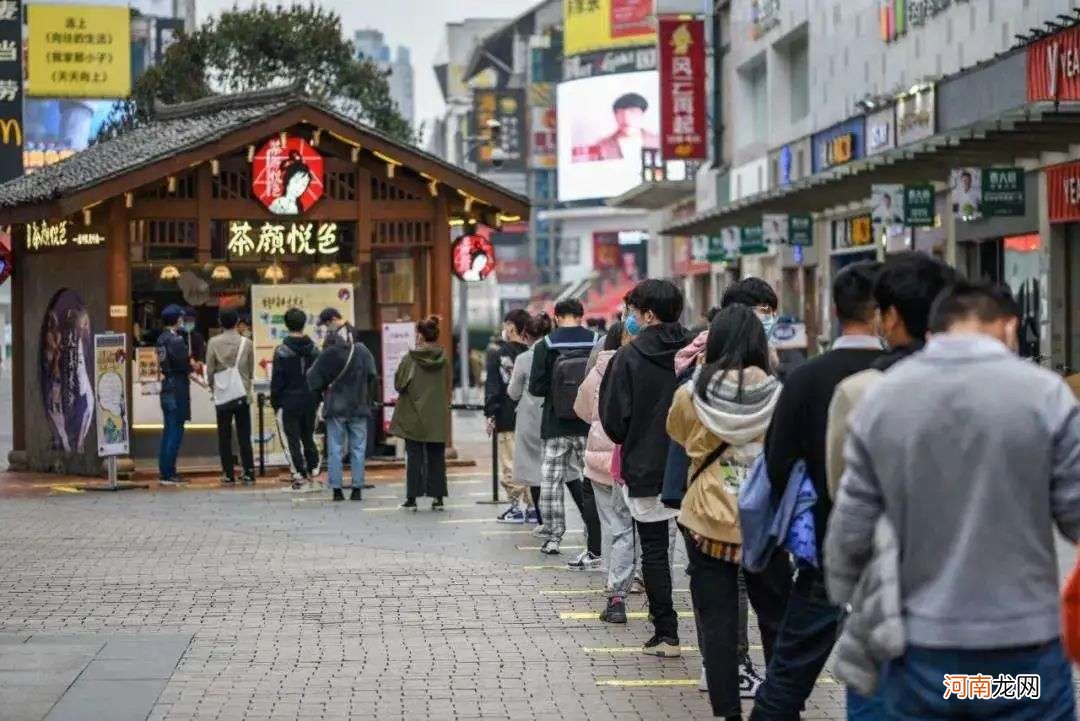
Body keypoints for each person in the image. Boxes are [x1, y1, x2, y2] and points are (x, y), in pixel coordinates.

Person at [827, 280, 1080, 721]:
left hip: (916, 652)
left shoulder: (882, 398)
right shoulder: (1046, 395)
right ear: (1009, 327)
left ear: (933, 332)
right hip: (1022, 657)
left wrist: (859, 605)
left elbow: (849, 535)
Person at [823, 253, 956, 720]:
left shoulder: (864, 392)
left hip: (896, 621)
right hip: (1007, 641)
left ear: (892, 317)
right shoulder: (1025, 393)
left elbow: (848, 504)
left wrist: (840, 587)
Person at [749, 262, 884, 721]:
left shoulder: (805, 377)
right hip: (902, 556)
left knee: (787, 676)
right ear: (885, 313)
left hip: (823, 550)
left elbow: (777, 460)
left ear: (833, 310)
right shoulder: (905, 374)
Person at [668, 305, 793, 720]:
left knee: (718, 622)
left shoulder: (692, 392)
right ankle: (779, 705)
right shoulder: (780, 392)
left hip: (706, 517)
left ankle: (727, 712)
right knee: (775, 615)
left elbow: (680, 435)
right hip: (765, 517)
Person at [599, 279, 691, 658]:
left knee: (653, 551)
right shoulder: (698, 349)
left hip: (647, 467)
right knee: (703, 551)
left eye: (634, 312)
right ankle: (714, 628)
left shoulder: (628, 358)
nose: (629, 319)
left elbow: (613, 422)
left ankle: (666, 632)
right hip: (695, 466)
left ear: (648, 315)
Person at [529, 299, 598, 555]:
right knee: (592, 480)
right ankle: (595, 536)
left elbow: (536, 388)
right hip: (587, 422)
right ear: (581, 315)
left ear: (556, 317)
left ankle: (553, 536)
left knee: (551, 481)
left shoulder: (545, 345)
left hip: (555, 422)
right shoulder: (595, 341)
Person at [575, 321, 634, 622]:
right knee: (626, 528)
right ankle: (623, 584)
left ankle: (612, 589)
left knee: (611, 524)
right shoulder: (635, 365)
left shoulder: (598, 368)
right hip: (625, 456)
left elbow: (581, 409)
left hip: (597, 457)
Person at [307, 307, 377, 502]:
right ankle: (357, 489)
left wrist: (323, 392)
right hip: (359, 405)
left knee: (335, 449)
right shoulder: (363, 350)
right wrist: (367, 397)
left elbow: (312, 378)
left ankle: (337, 489)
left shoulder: (329, 353)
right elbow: (372, 375)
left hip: (336, 406)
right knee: (358, 448)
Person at [391, 316, 450, 510]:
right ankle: (438, 497)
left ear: (420, 336)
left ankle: (412, 498)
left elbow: (399, 384)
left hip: (413, 414)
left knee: (414, 457)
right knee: (436, 456)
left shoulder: (411, 359)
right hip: (437, 415)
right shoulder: (444, 359)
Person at [486, 309, 533, 523]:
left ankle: (515, 507)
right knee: (531, 463)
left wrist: (490, 413)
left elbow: (494, 386)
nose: (504, 330)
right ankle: (533, 508)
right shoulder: (533, 352)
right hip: (531, 418)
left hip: (506, 415)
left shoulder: (499, 354)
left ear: (512, 327)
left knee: (509, 462)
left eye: (506, 325)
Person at [271, 307, 321, 492]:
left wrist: (276, 403)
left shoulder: (281, 351)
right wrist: (318, 398)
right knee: (308, 435)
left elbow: (277, 381)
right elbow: (319, 377)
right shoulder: (315, 350)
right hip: (310, 399)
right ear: (304, 323)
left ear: (286, 324)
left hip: (289, 401)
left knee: (292, 438)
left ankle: (298, 472)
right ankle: (313, 467)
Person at [206, 308, 256, 485]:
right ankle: (249, 471)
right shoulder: (247, 342)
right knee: (244, 434)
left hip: (223, 393)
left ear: (220, 322)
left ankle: (228, 473)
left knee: (224, 435)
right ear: (237, 322)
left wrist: (213, 387)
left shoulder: (213, 342)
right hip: (242, 393)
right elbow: (251, 371)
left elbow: (210, 371)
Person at [156, 304, 192, 485]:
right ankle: (169, 472)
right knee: (175, 429)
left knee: (168, 428)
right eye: (181, 317)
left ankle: (165, 470)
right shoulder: (176, 340)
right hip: (177, 385)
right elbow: (184, 365)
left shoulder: (161, 339)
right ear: (177, 319)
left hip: (166, 384)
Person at [574, 92, 660, 162]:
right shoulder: (601, 145)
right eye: (620, 113)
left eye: (632, 112)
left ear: (642, 114)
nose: (626, 119)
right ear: (615, 116)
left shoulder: (658, 141)